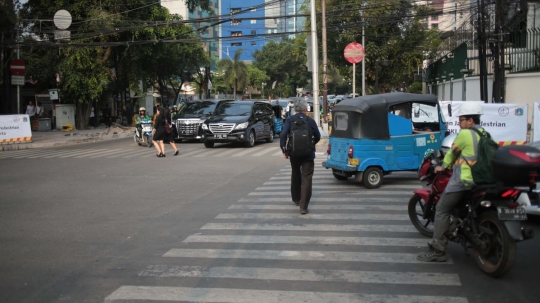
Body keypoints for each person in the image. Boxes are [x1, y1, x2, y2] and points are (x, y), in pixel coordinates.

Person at [417, 102, 485, 262]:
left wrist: (442, 167)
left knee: (441, 210)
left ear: (470, 121)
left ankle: (438, 250)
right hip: (482, 181)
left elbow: (452, 153)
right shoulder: (484, 134)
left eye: (462, 120)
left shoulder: (465, 134)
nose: (460, 124)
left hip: (464, 180)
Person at [280, 100, 321, 214]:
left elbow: (283, 134)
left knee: (295, 173)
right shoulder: (310, 120)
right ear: (305, 109)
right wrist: (311, 145)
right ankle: (303, 207)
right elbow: (318, 136)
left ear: (295, 110)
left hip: (294, 153)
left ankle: (296, 198)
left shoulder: (290, 120)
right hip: (308, 154)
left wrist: (284, 149)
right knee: (307, 177)